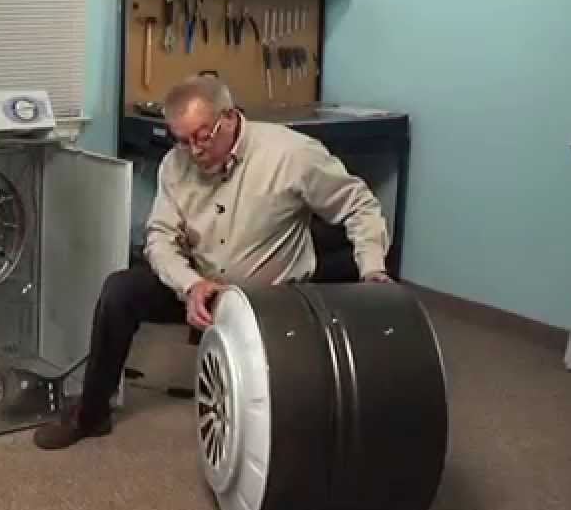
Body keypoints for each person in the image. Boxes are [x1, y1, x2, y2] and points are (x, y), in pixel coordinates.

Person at [33, 75, 393, 451]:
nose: (194, 150)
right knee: (120, 291)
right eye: (182, 140)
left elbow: (359, 206)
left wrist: (373, 269)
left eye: (202, 137)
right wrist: (191, 285)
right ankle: (91, 414)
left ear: (230, 117)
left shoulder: (292, 154)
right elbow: (159, 239)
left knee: (277, 421)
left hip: (272, 298)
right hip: (203, 291)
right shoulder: (175, 165)